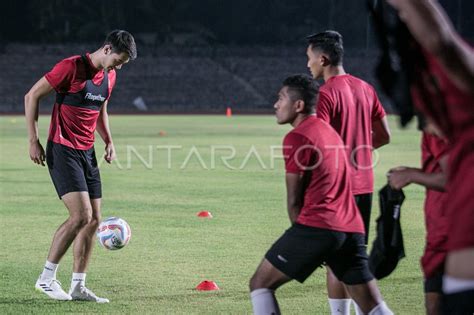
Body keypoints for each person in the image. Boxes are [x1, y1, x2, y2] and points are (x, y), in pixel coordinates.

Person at [249, 74, 393, 315]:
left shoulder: (297, 137)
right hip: (352, 227)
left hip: (320, 226)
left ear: (298, 105)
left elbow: (294, 200)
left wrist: (306, 242)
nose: (275, 104)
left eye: (280, 98)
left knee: (260, 284)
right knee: (372, 305)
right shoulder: (330, 132)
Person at [24, 30, 137, 302]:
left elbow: (101, 110)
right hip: (63, 149)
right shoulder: (71, 67)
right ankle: (46, 278)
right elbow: (32, 96)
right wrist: (33, 140)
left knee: (94, 219)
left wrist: (109, 140)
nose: (119, 67)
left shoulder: (110, 76)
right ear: (107, 48)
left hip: (88, 152)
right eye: (118, 60)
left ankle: (78, 286)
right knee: (80, 216)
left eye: (123, 64)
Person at [386, 1, 474, 313]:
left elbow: (442, 43)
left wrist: (410, 175)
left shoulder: (456, 119)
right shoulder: (446, 122)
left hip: (457, 243)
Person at [306, 30, 391, 315]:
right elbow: (383, 135)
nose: (308, 65)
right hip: (364, 185)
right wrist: (359, 150)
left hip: (338, 190)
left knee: (336, 261)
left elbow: (321, 145)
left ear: (323, 58)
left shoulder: (327, 93)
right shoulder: (365, 88)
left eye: (309, 59)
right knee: (354, 258)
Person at [388, 118, 449, 315]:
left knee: (436, 305)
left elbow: (455, 177)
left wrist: (411, 175)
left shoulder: (438, 122)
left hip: (450, 230)